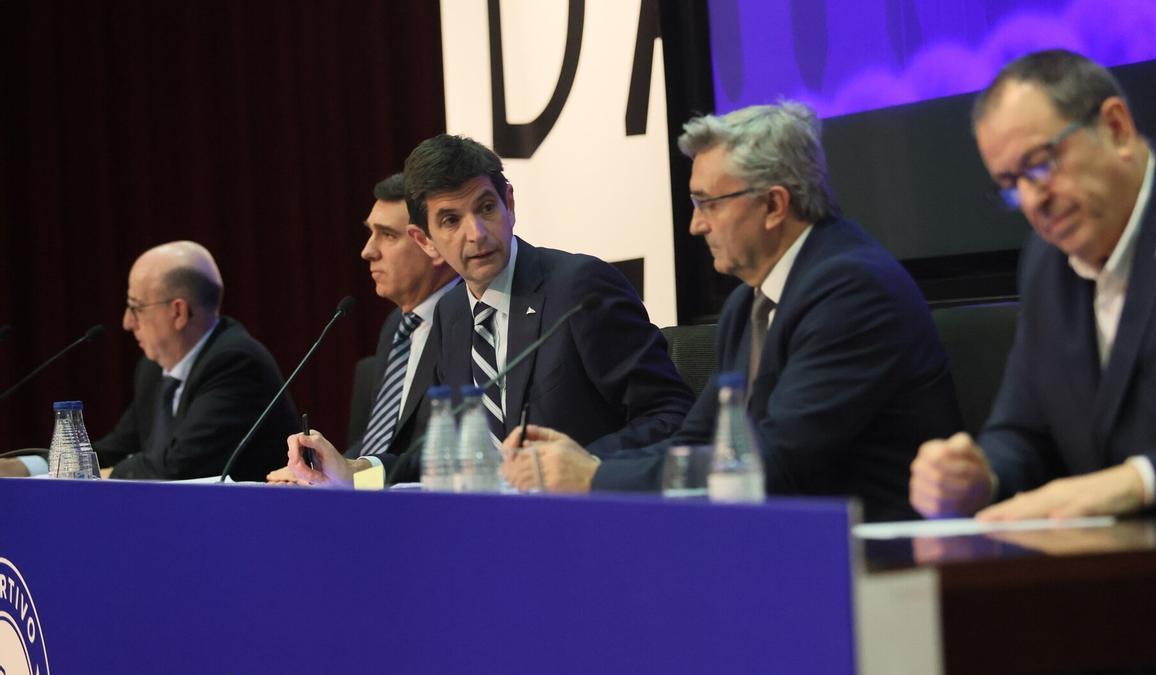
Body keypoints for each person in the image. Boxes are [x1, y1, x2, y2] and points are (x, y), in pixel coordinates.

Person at [503, 102, 962, 522]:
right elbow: (697, 443)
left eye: (708, 204)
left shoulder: (853, 291)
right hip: (785, 537)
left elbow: (780, 462)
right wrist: (585, 462)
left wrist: (593, 478)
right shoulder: (748, 301)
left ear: (774, 205)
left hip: (875, 552)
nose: (695, 224)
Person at [286, 135, 694, 484]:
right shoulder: (451, 313)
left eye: (485, 208)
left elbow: (672, 414)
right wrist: (353, 470)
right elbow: (440, 456)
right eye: (450, 220)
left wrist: (583, 465)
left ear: (509, 203)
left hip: (580, 515)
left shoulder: (578, 288)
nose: (477, 233)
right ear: (425, 241)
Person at [909, 49, 1156, 520]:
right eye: (1011, 184)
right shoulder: (1047, 262)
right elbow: (1023, 432)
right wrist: (981, 476)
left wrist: (1142, 481)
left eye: (1041, 164)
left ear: (1116, 128)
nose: (1031, 201)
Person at [0, 241, 298, 480]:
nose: (127, 322)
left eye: (136, 307)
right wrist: (25, 468)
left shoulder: (236, 363)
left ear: (178, 312)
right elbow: (116, 449)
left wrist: (96, 475)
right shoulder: (153, 369)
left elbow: (179, 468)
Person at [267, 174, 459, 485]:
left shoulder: (469, 322)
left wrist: (355, 474)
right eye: (371, 233)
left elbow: (446, 453)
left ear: (431, 244)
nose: (368, 251)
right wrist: (324, 470)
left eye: (388, 235)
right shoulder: (397, 325)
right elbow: (381, 440)